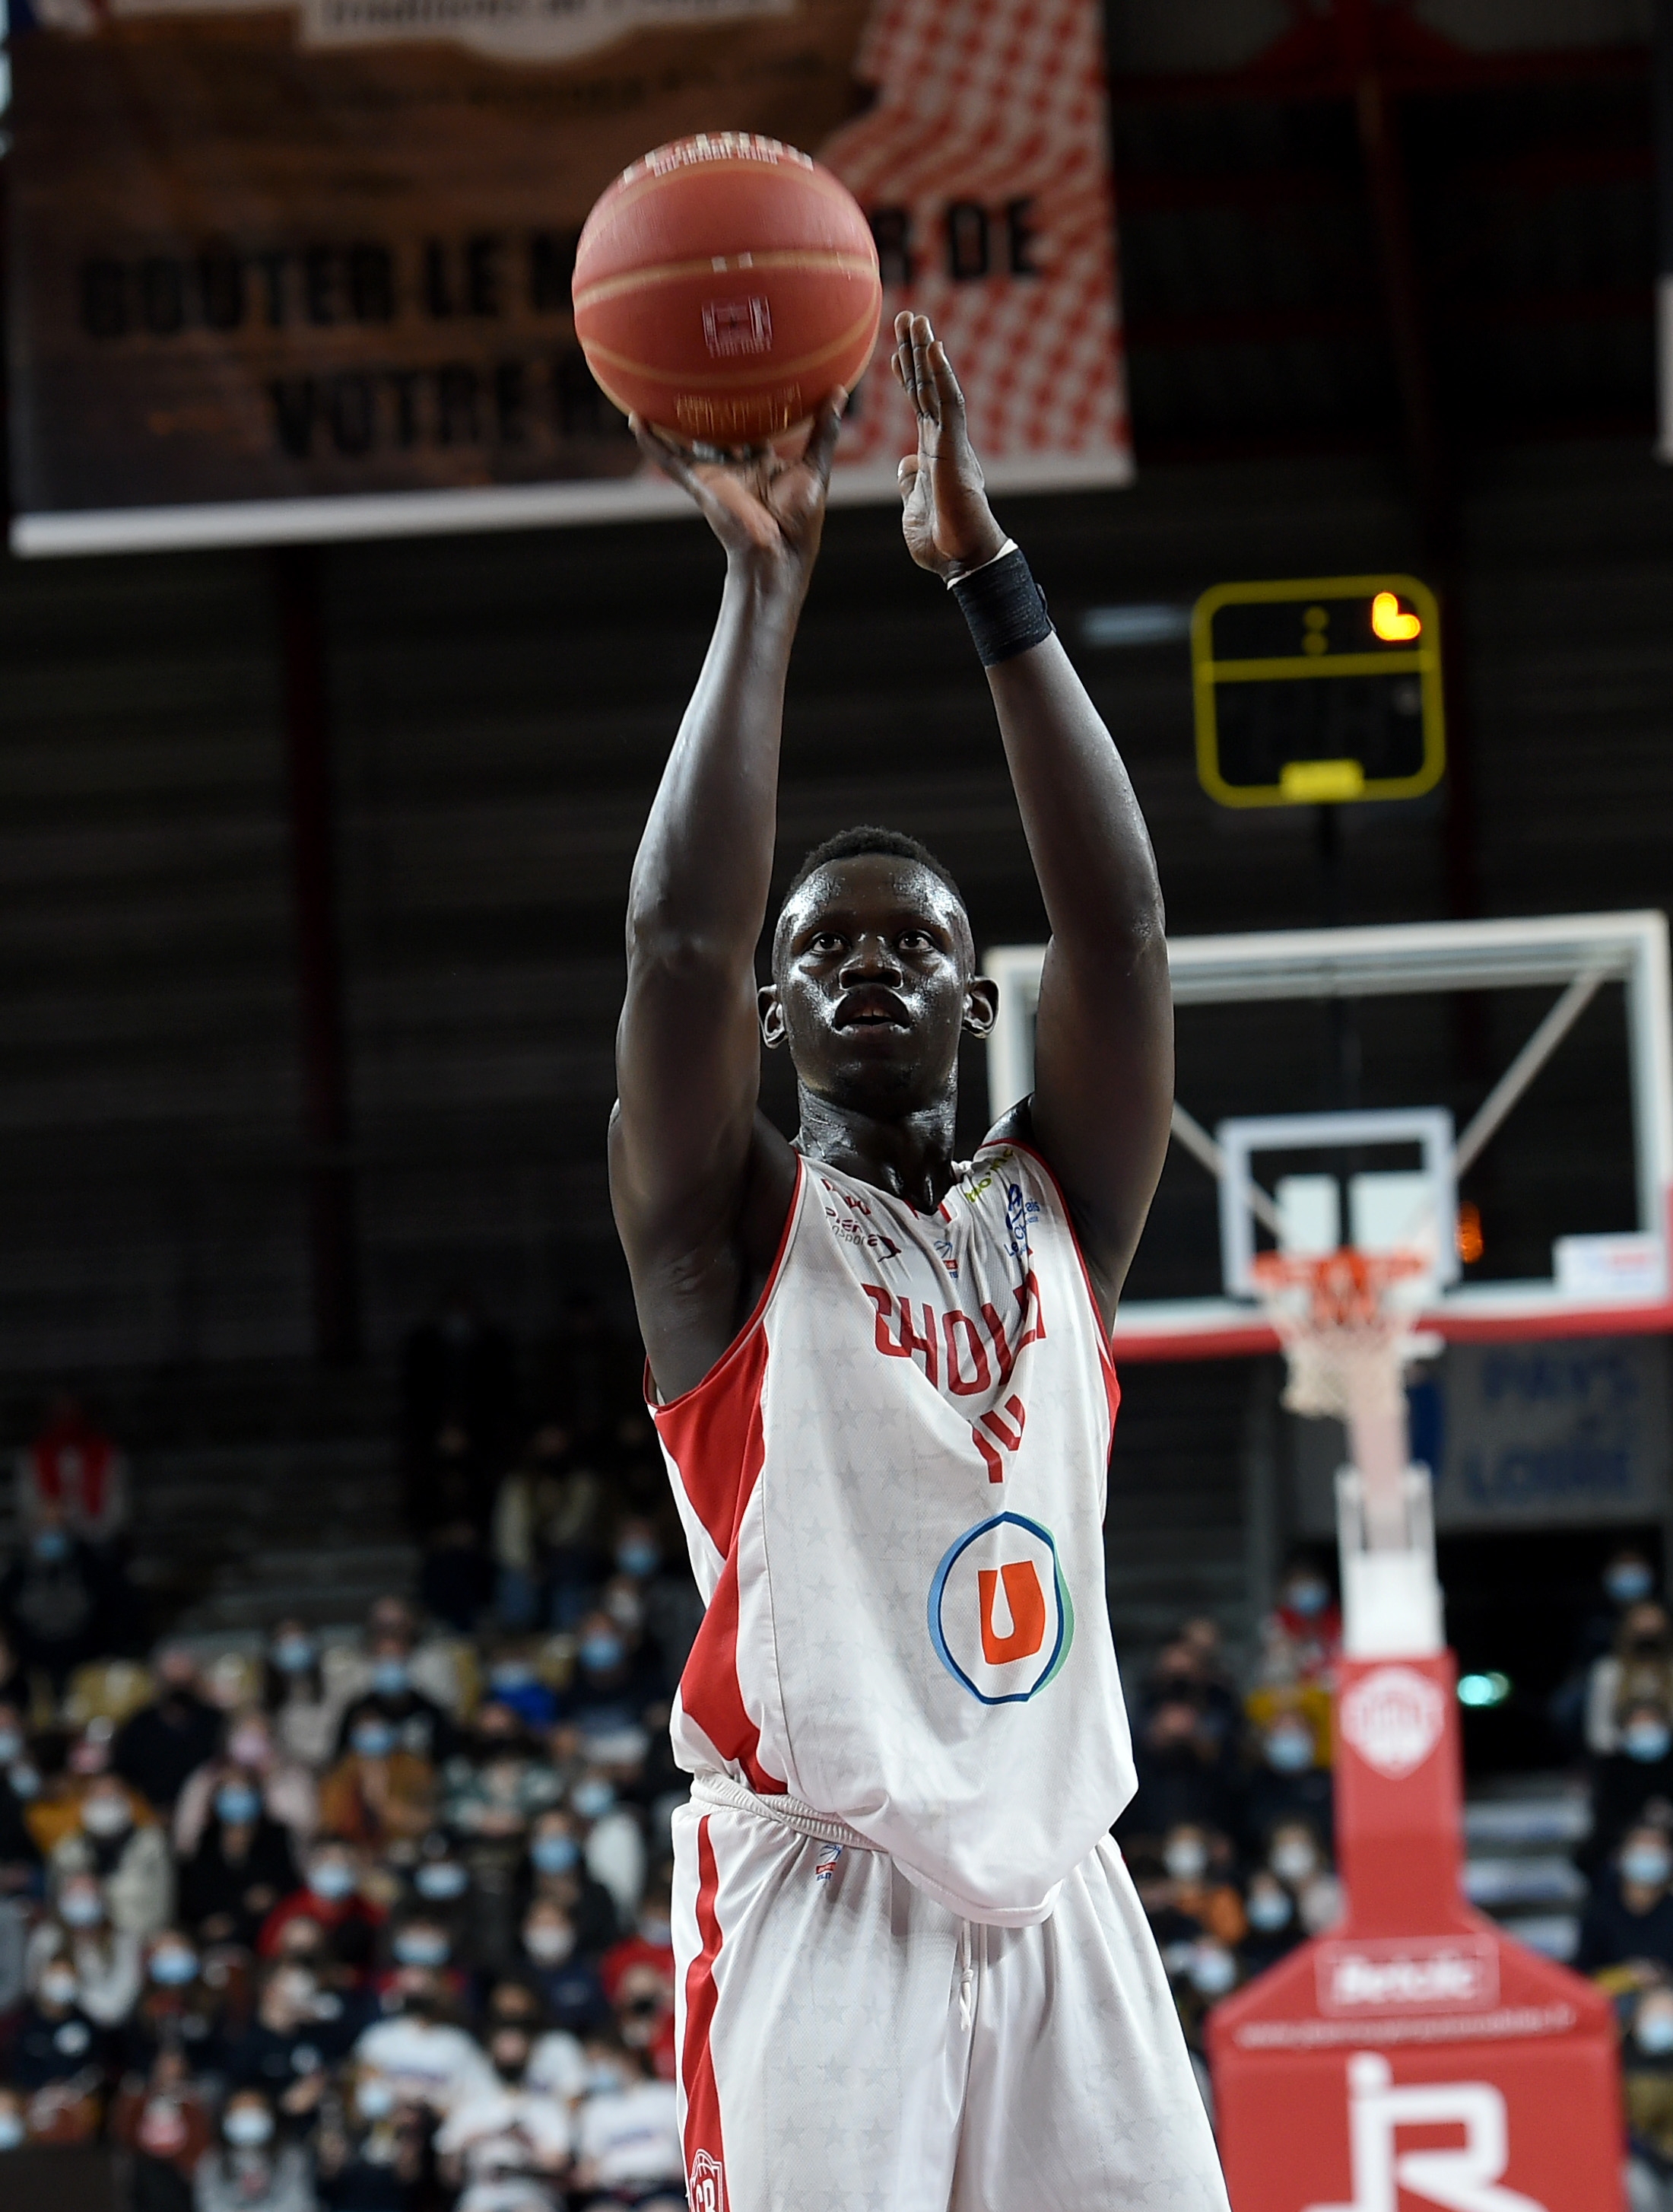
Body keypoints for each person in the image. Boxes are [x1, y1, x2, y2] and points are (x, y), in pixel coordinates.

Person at [609, 316, 1224, 2207]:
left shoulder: (1063, 1204)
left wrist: (987, 581)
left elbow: (1118, 926)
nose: (868, 962)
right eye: (826, 949)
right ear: (783, 1019)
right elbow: (678, 953)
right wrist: (766, 591)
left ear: (974, 995)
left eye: (918, 942)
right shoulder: (727, 1229)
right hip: (818, 1887)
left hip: (1062, 1883)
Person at [114, 1648, 224, 1815]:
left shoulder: (216, 1722)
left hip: (207, 1815)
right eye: (172, 1676)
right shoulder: (139, 1725)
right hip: (150, 1814)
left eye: (184, 1676)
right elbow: (123, 1775)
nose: (178, 1682)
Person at [15, 1392, 131, 1550]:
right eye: (59, 1414)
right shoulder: (34, 1456)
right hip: (51, 1541)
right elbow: (30, 1507)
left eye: (71, 1413)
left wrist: (94, 1530)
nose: (65, 1420)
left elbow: (116, 1504)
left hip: (100, 1538)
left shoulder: (106, 1453)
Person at [1576, 1823, 1673, 1974]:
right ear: (1622, 1854)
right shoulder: (1600, 1912)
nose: (1647, 1855)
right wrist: (1625, 1976)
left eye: (1655, 1849)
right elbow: (1582, 1973)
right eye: (1641, 1848)